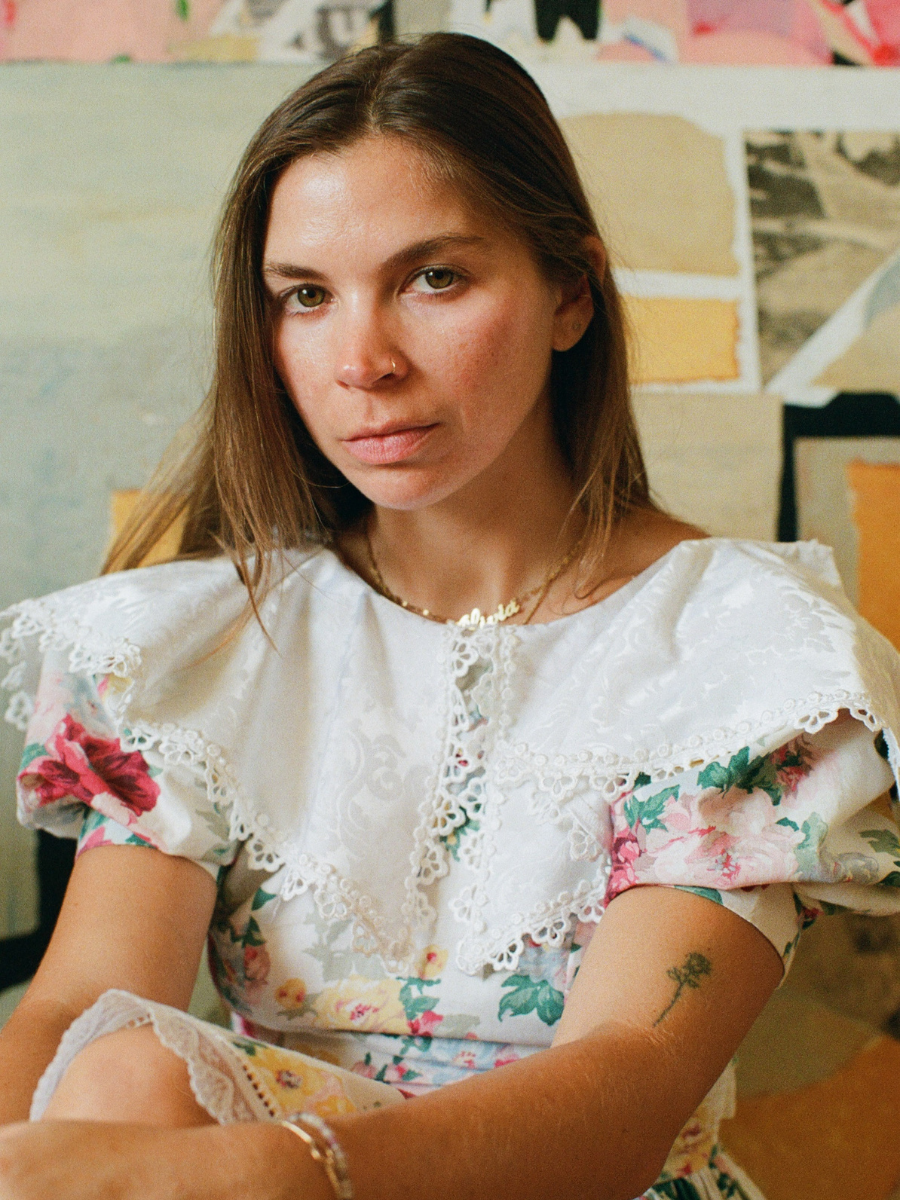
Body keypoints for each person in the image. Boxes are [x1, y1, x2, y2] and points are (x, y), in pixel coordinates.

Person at [1, 31, 899, 1200]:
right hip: (216, 1173)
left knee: (136, 1093)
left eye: (435, 278)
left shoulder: (742, 652)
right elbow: (74, 1007)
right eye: (307, 297)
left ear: (569, 293)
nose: (362, 359)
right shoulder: (208, 648)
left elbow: (626, 1086)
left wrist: (273, 1176)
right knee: (119, 1069)